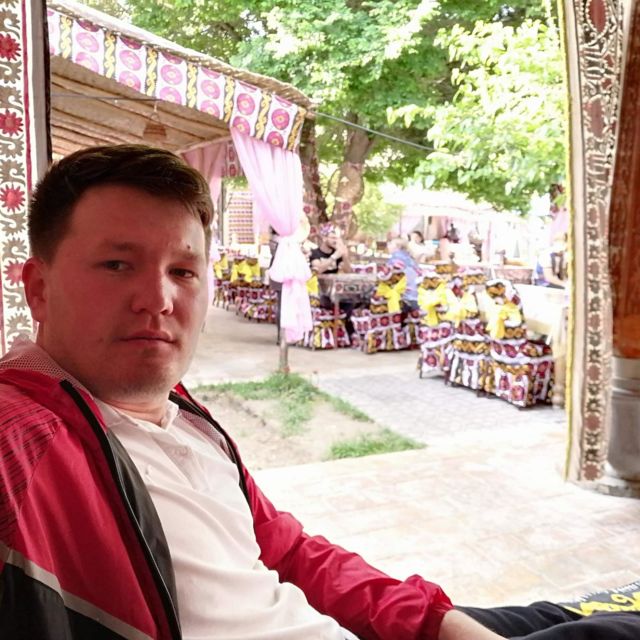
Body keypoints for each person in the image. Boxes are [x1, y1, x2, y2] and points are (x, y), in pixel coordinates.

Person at [0, 145, 637, 640]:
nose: (158, 299)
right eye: (116, 264)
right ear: (39, 288)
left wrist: (435, 624)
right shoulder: (27, 437)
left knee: (587, 618)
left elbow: (285, 550)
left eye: (183, 270)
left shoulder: (185, 418)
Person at [386, 236, 421, 311]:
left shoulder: (395, 259)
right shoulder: (410, 259)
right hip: (415, 296)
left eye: (391, 243)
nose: (388, 245)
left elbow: (389, 277)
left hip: (404, 296)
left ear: (398, 247)